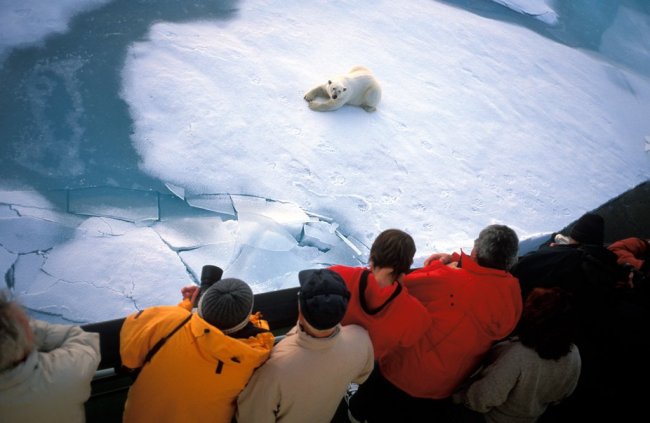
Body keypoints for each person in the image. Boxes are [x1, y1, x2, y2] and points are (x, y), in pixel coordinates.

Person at [349, 224, 522, 423]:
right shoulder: (511, 292)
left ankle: (354, 414)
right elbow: (482, 284)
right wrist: (455, 260)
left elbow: (404, 284)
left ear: (475, 251)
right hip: (445, 386)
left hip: (403, 371)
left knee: (363, 408)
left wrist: (437, 265)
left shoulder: (447, 280)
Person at [510, 212, 641, 420]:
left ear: (574, 236)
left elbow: (520, 268)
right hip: (584, 354)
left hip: (541, 339)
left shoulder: (558, 258)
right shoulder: (615, 269)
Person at [120, 277, 274, 423]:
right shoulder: (254, 357)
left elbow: (129, 357)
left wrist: (185, 308)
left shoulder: (168, 321)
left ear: (201, 307)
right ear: (245, 320)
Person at [236, 268, 374, 423]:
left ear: (300, 309)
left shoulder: (272, 370)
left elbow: (251, 419)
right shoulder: (361, 339)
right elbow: (361, 377)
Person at [451, 287, 581, 423]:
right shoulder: (574, 354)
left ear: (535, 318)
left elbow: (482, 398)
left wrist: (459, 395)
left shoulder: (519, 356)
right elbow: (563, 394)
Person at [329, 228, 429, 361]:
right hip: (357, 369)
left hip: (323, 356)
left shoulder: (336, 276)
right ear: (408, 265)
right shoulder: (416, 314)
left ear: (372, 255)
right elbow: (408, 342)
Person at [0, 290, 101, 422]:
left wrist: (20, 330)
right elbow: (85, 341)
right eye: (27, 322)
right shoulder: (64, 373)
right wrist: (30, 330)